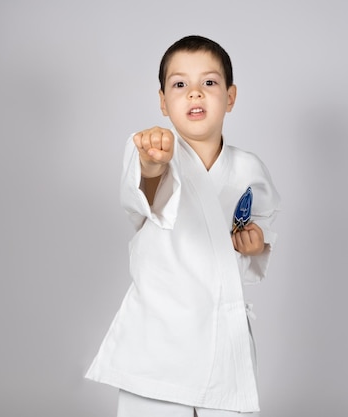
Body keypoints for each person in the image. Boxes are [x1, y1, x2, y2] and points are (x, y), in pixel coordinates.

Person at [85, 35, 280, 416]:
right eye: (180, 85)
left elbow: (260, 222)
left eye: (208, 83)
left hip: (222, 334)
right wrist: (154, 164)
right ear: (162, 101)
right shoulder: (148, 147)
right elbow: (144, 196)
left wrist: (256, 243)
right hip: (159, 337)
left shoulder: (249, 168)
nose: (195, 93)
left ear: (230, 96)